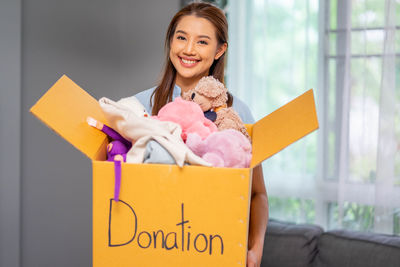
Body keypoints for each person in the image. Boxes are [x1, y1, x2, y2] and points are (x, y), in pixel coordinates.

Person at [135, 2, 268, 266]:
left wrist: (256, 248)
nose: (188, 49)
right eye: (181, 37)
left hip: (215, 247)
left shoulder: (236, 113)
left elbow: (257, 193)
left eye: (202, 42)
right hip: (154, 245)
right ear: (171, 42)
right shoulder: (138, 108)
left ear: (220, 50)